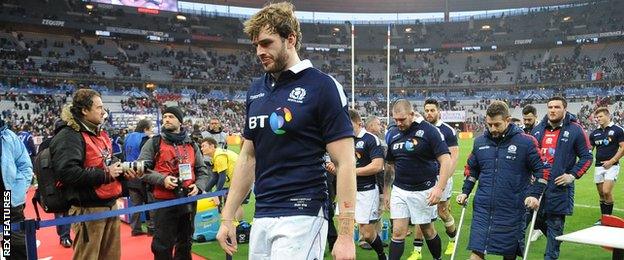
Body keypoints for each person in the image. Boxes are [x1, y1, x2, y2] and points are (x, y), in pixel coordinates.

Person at [216, 3, 357, 259]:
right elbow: (248, 157)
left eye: (267, 43)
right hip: (263, 212)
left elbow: (345, 161)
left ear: (290, 39)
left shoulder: (323, 86)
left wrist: (346, 234)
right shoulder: (256, 90)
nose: (259, 52)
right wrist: (228, 218)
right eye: (256, 45)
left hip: (304, 211)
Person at [50, 89, 136, 260]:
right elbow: (67, 173)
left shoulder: (100, 133)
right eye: (99, 107)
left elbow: (105, 164)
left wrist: (121, 171)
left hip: (109, 204)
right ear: (84, 110)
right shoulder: (69, 135)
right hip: (87, 209)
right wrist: (106, 174)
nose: (103, 111)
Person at [457, 100, 549, 260]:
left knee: (509, 255)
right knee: (476, 253)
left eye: (497, 124)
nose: (492, 129)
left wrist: (534, 195)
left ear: (507, 120)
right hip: (483, 209)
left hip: (511, 210)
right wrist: (465, 191)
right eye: (489, 124)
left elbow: (542, 170)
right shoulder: (479, 143)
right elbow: (473, 170)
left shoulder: (526, 142)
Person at [138, 106, 210, 260]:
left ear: (180, 121)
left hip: (188, 199)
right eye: (165, 117)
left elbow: (202, 170)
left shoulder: (191, 144)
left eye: (171, 116)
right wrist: (162, 179)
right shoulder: (154, 142)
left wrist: (198, 186)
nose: (167, 120)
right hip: (163, 201)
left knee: (185, 241)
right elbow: (140, 170)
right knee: (162, 244)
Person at [385, 99, 452, 260]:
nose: (399, 123)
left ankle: (437, 258)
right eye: (396, 120)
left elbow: (446, 160)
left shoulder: (429, 131)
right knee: (398, 232)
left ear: (412, 114)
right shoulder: (392, 134)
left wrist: (439, 188)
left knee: (427, 230)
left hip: (424, 190)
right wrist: (386, 191)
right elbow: (389, 166)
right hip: (400, 190)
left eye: (402, 119)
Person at [530, 96, 593, 260]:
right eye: (550, 107)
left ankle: (551, 256)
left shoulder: (575, 129)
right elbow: (529, 156)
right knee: (531, 219)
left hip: (559, 187)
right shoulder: (537, 130)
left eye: (557, 107)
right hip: (536, 186)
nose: (552, 110)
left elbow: (587, 157)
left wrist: (572, 175)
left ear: (565, 109)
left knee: (555, 225)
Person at [410, 98, 460, 260]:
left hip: (442, 177)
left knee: (443, 212)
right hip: (425, 178)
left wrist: (443, 182)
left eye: (432, 110)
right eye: (427, 110)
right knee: (421, 214)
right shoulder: (420, 129)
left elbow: (453, 158)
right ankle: (417, 250)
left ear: (439, 111)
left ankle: (453, 239)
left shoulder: (447, 131)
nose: (429, 113)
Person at [347, 110, 386, 259]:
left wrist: (351, 171)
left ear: (359, 123)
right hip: (347, 190)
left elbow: (377, 166)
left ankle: (382, 255)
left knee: (367, 232)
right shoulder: (345, 139)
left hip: (366, 191)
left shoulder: (370, 139)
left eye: (349, 124)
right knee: (346, 229)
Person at [1, 115, 34, 259]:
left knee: (14, 246)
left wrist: (18, 190)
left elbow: (25, 166)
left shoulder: (9, 137)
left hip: (8, 198)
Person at [37, 119, 72, 248]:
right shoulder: (64, 143)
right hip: (57, 183)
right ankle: (64, 235)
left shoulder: (45, 144)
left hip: (52, 185)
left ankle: (64, 234)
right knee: (64, 209)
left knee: (60, 210)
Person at [589, 107, 624, 220]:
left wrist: (612, 161)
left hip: (612, 166)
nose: (598, 119)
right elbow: (589, 150)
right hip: (599, 166)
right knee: (601, 194)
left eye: (600, 116)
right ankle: (604, 218)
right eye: (597, 117)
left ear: (608, 116)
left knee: (606, 191)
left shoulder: (618, 130)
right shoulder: (594, 133)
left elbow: (623, 148)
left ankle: (608, 218)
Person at [200, 137, 245, 221]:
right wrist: (205, 191)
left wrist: (216, 194)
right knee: (233, 204)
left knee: (235, 204)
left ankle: (239, 226)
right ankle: (235, 226)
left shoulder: (219, 155)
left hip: (241, 179)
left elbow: (222, 176)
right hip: (237, 180)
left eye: (203, 146)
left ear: (212, 146)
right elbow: (215, 177)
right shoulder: (215, 156)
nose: (201, 148)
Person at [123, 119, 155, 236]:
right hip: (142, 173)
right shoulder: (145, 139)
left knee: (135, 204)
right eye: (150, 129)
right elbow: (148, 158)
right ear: (145, 129)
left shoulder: (127, 137)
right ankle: (151, 228)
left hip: (129, 172)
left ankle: (135, 229)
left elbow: (124, 155)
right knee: (149, 202)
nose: (151, 131)